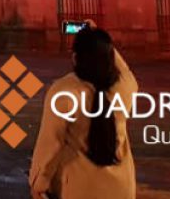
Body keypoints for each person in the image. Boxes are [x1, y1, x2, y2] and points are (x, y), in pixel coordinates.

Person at [29, 23, 138, 199]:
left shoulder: (64, 91)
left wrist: (38, 182)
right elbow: (123, 68)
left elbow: (50, 143)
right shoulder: (125, 87)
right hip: (121, 189)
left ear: (75, 58)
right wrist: (101, 42)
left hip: (78, 189)